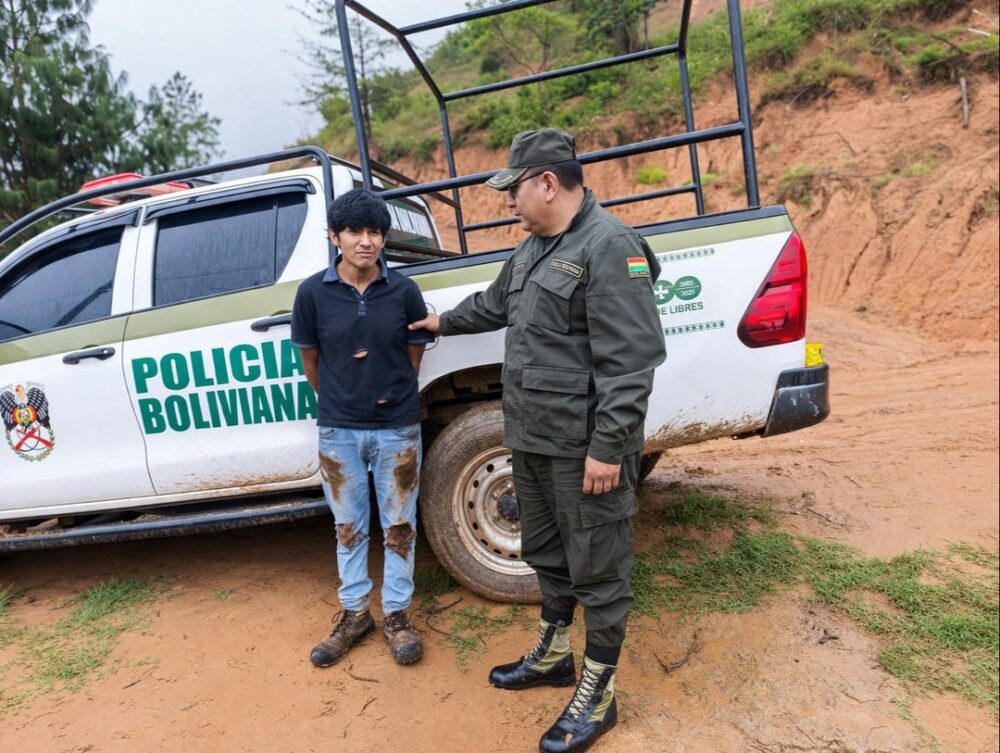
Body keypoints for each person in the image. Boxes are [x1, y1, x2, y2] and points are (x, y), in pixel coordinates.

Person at [408, 128, 665, 752]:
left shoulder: (610, 247)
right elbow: (494, 305)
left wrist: (609, 448)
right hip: (532, 439)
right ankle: (554, 656)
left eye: (514, 190)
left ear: (548, 183)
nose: (509, 202)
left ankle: (598, 693)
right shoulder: (532, 250)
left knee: (599, 570)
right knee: (547, 555)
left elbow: (631, 364)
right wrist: (438, 321)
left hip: (585, 449)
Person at [292, 188, 434, 668]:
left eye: (375, 232)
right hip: (339, 430)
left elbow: (413, 353)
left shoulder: (404, 291)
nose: (366, 242)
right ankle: (355, 614)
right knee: (348, 527)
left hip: (397, 427)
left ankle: (396, 615)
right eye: (355, 231)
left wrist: (391, 392)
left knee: (399, 525)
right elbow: (311, 359)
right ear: (335, 236)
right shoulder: (312, 294)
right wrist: (341, 399)